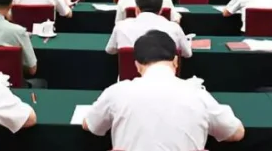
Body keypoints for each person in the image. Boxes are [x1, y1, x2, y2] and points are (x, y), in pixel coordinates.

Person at [83, 30, 244, 150]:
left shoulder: (117, 92)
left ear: (137, 65)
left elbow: (90, 124)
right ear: (176, 61)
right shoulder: (198, 95)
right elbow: (236, 133)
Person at [106, 0, 192, 57]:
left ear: (137, 10)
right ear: (161, 11)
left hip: (128, 74)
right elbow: (187, 53)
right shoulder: (174, 28)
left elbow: (110, 50)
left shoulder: (121, 26)